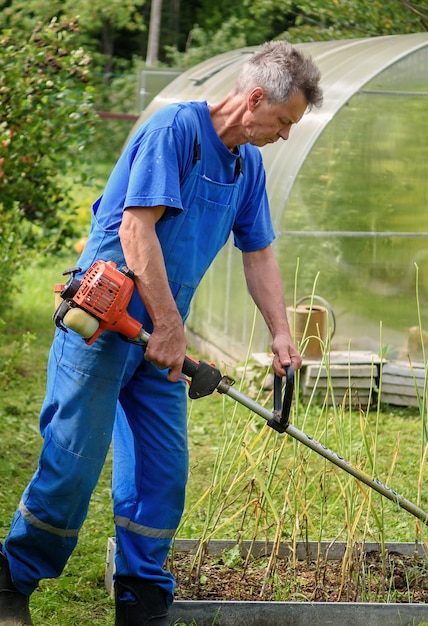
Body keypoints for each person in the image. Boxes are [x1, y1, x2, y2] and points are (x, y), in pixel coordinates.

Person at [0, 40, 323, 625]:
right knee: (73, 463)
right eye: (283, 120)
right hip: (103, 324)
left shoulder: (246, 166)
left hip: (157, 344)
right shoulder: (174, 131)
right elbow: (135, 231)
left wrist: (280, 332)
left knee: (161, 473)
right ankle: (11, 584)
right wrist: (171, 328)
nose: (285, 134)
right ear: (253, 99)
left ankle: (142, 599)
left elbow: (260, 255)